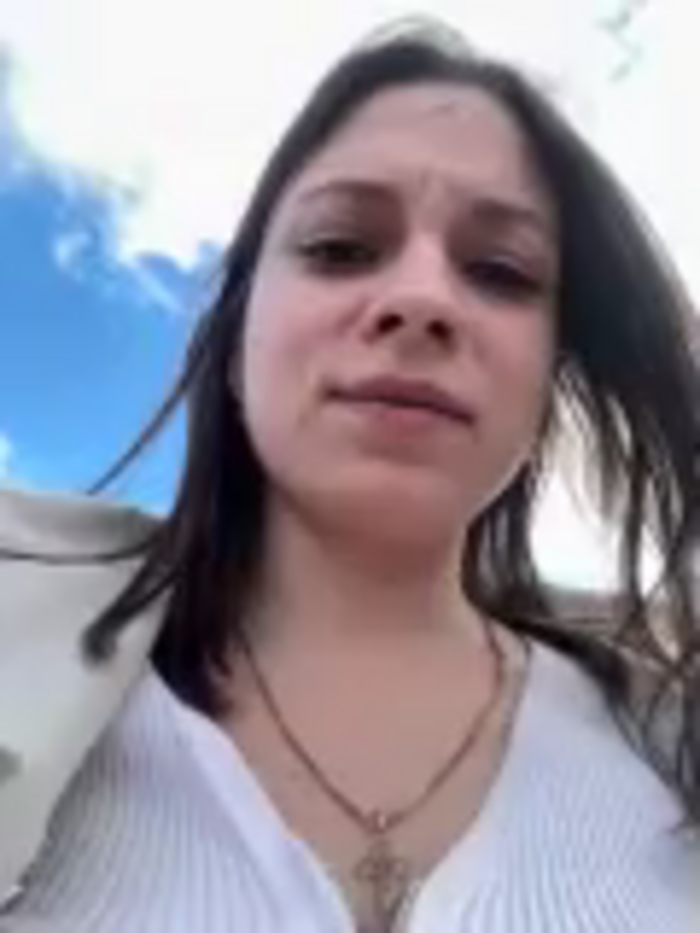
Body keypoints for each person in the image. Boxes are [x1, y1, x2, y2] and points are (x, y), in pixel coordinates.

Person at [1, 19, 699, 933]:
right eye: (338, 247)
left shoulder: (666, 751)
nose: (422, 298)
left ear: (549, 376)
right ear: (236, 342)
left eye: (500, 270)